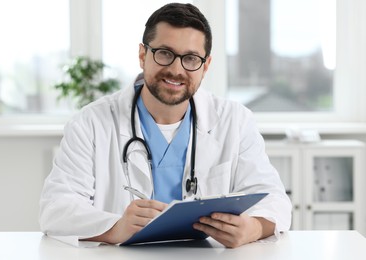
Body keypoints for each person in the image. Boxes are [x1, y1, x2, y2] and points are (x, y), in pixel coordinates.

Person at [39, 3, 292, 248]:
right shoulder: (91, 123)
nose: (175, 69)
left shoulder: (234, 121)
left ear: (205, 66)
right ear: (142, 55)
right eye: (164, 53)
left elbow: (275, 200)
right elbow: (56, 208)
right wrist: (116, 227)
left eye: (191, 58)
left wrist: (253, 228)